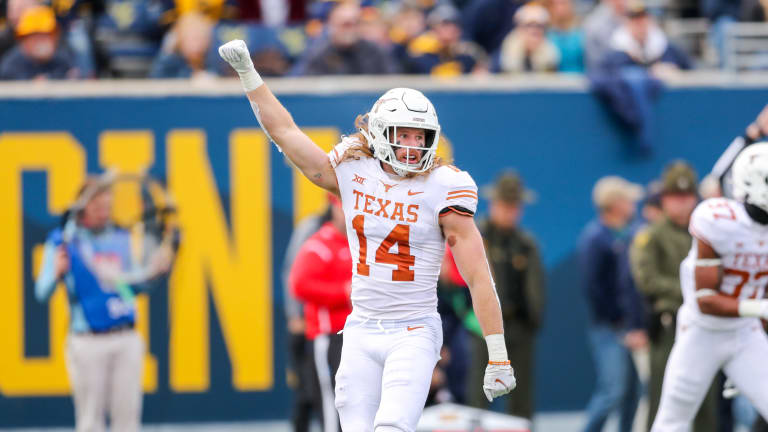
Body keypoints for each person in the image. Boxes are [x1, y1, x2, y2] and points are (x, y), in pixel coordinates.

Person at [218, 39, 516, 431]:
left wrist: (498, 353)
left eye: (419, 136)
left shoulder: (445, 186)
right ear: (380, 132)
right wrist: (248, 75)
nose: (412, 146)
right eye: (403, 134)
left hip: (414, 329)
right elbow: (286, 133)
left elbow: (479, 276)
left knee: (392, 426)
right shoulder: (354, 172)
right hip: (360, 328)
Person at [34, 176, 172, 432]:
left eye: (107, 206)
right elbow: (42, 293)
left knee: (127, 422)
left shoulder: (120, 237)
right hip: (88, 340)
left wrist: (154, 273)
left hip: (126, 336)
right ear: (83, 207)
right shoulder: (64, 241)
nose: (103, 212)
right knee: (90, 422)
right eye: (97, 207)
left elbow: (127, 289)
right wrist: (56, 272)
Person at [649, 144, 768, 431]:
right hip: (702, 333)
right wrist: (761, 308)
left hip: (745, 333)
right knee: (672, 421)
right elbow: (706, 300)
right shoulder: (718, 221)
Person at [630, 162, 718, 432]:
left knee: (706, 401)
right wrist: (693, 290)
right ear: (664, 200)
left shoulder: (709, 232)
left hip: (705, 326)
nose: (681, 204)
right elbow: (647, 281)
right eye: (674, 198)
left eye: (686, 197)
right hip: (670, 325)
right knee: (662, 397)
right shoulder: (651, 236)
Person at [467, 171, 545, 420]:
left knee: (521, 400)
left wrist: (533, 320)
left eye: (515, 206)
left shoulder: (526, 243)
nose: (510, 211)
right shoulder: (477, 238)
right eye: (506, 205)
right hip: (484, 328)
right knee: (478, 397)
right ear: (494, 204)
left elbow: (536, 288)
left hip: (519, 327)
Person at [580, 175, 647, 432]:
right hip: (609, 329)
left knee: (631, 393)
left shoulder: (629, 234)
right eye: (628, 199)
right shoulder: (595, 238)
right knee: (614, 391)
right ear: (615, 203)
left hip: (627, 328)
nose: (633, 204)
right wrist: (619, 323)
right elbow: (594, 289)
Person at [290, 194, 352, 432]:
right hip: (329, 337)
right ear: (334, 208)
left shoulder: (362, 243)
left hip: (359, 335)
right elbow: (299, 284)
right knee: (332, 407)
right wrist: (343, 292)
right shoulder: (320, 244)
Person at [293, 1, 398, 76]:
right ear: (331, 24)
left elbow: (392, 81)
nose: (350, 30)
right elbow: (301, 84)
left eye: (354, 23)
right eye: (345, 24)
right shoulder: (318, 53)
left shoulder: (375, 51)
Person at [0, 5, 79, 80]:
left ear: (55, 36)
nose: (40, 41)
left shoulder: (63, 59)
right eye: (35, 36)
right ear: (23, 40)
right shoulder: (11, 66)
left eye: (45, 35)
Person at [495, 4, 560, 74]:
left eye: (539, 26)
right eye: (529, 25)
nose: (534, 30)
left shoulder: (551, 53)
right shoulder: (505, 53)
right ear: (519, 28)